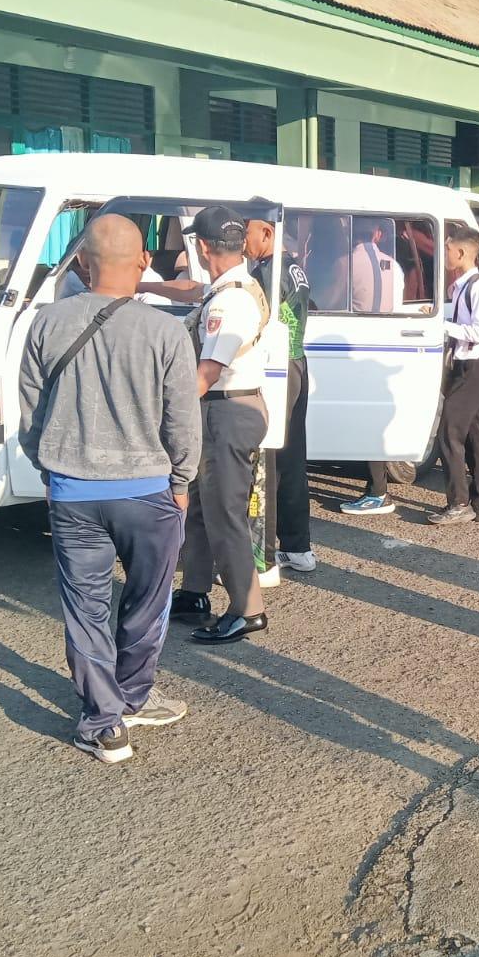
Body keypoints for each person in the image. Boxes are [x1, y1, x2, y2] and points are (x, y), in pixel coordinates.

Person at [18, 214, 200, 765]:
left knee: (86, 609)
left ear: (80, 264)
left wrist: (49, 470)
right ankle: (134, 696)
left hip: (74, 492)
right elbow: (182, 421)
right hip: (151, 494)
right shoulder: (167, 330)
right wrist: (183, 480)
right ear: (145, 262)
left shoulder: (46, 323)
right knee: (148, 603)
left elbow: (30, 411)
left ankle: (103, 723)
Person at [170, 207, 272, 645]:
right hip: (220, 408)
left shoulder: (231, 300)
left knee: (225, 513)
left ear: (203, 246)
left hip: (226, 409)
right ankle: (195, 591)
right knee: (200, 506)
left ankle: (247, 609)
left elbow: (207, 371)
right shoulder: (231, 288)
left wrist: (163, 410)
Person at [248, 217, 316, 574]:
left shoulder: (268, 273)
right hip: (298, 363)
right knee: (292, 458)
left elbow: (257, 319)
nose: (242, 241)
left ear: (267, 233)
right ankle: (297, 546)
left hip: (279, 368)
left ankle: (265, 555)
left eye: (246, 233)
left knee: (268, 459)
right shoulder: (295, 268)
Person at [433, 225, 479, 525]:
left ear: (461, 253)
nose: (445, 253)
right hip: (465, 366)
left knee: (450, 431)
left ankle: (460, 503)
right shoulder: (459, 287)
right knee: (476, 434)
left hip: (476, 366)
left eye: (448, 248)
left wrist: (442, 326)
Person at [343, 218, 407, 516]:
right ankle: (377, 487)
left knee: (364, 421)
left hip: (355, 344)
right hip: (386, 345)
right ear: (379, 234)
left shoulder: (345, 263)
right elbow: (397, 305)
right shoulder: (394, 265)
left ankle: (377, 491)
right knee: (374, 419)